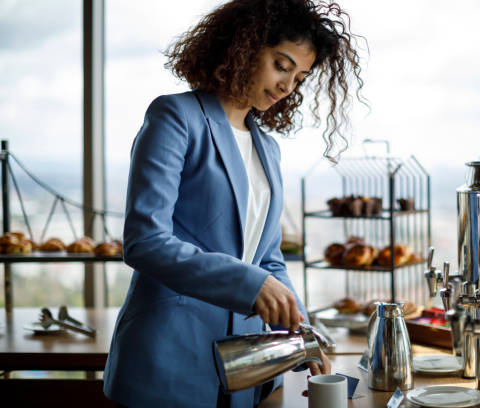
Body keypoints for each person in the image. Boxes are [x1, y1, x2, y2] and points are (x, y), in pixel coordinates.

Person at [103, 0, 365, 407]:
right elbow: (145, 242)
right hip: (168, 357)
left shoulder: (268, 148)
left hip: (246, 367)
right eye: (281, 65)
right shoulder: (175, 117)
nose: (287, 86)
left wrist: (305, 337)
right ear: (242, 48)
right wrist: (249, 283)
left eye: (299, 77)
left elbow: (269, 259)